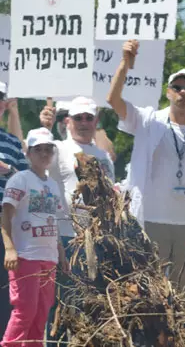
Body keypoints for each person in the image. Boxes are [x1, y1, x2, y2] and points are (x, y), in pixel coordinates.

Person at [107, 40, 185, 300]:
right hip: (153, 219)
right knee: (147, 288)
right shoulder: (147, 120)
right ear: (168, 92)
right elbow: (113, 99)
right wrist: (125, 63)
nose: (183, 93)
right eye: (177, 87)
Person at [40, 96, 115, 342]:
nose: (84, 122)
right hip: (66, 239)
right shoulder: (56, 149)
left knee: (94, 305)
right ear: (68, 121)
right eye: (78, 118)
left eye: (88, 117)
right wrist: (45, 128)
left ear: (96, 121)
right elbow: (35, 172)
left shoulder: (103, 156)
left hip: (99, 239)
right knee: (62, 305)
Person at [1, 128, 68, 347]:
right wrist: (10, 248)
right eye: (38, 149)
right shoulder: (20, 179)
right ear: (28, 153)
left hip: (49, 258)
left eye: (48, 149)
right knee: (25, 310)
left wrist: (62, 254)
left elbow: (55, 220)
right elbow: (6, 215)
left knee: (42, 313)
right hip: (26, 256)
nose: (44, 154)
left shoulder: (53, 185)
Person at [0, 84, 29, 338]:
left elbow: (26, 182)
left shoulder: (11, 142)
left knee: (4, 293)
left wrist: (7, 169)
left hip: (5, 226)